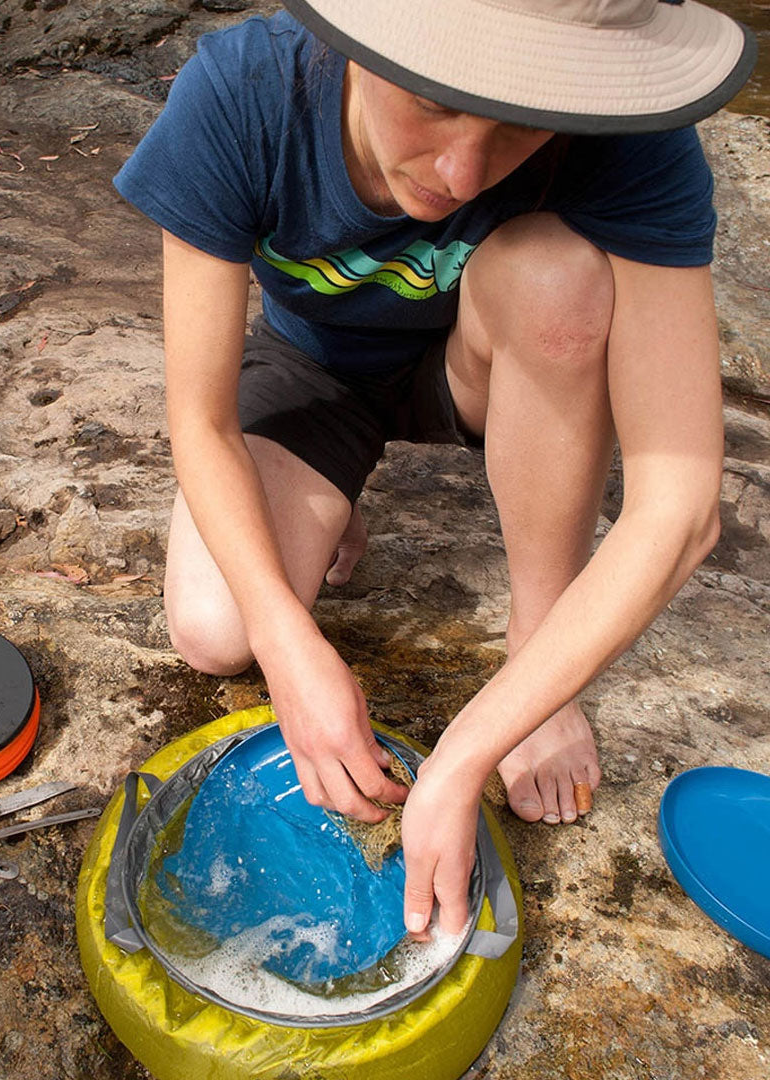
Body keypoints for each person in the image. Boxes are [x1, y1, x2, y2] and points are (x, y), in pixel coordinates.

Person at [113, 0, 756, 938]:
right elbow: (199, 421)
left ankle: (538, 639)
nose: (461, 172)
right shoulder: (244, 93)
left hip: (490, 361)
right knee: (218, 633)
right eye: (432, 103)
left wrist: (468, 750)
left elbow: (682, 504)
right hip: (315, 372)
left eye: (517, 126)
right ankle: (332, 486)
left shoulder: (623, 134)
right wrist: (291, 647)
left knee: (559, 277)